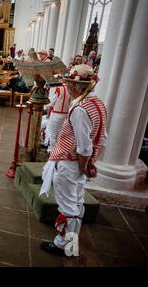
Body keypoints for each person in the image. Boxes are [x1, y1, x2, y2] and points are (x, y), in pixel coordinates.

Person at [40, 64, 108, 256]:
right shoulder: (99, 104)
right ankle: (71, 245)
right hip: (79, 164)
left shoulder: (80, 108)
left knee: (68, 207)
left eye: (69, 83)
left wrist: (82, 166)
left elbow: (84, 146)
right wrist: (90, 162)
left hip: (71, 163)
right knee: (77, 203)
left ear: (77, 86)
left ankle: (64, 245)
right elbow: (102, 138)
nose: (67, 86)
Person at [45, 75, 73, 152]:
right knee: (60, 132)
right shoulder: (71, 90)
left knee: (52, 132)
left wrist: (47, 113)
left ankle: (51, 150)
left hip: (56, 113)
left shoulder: (59, 89)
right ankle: (58, 149)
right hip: (65, 114)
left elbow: (52, 103)